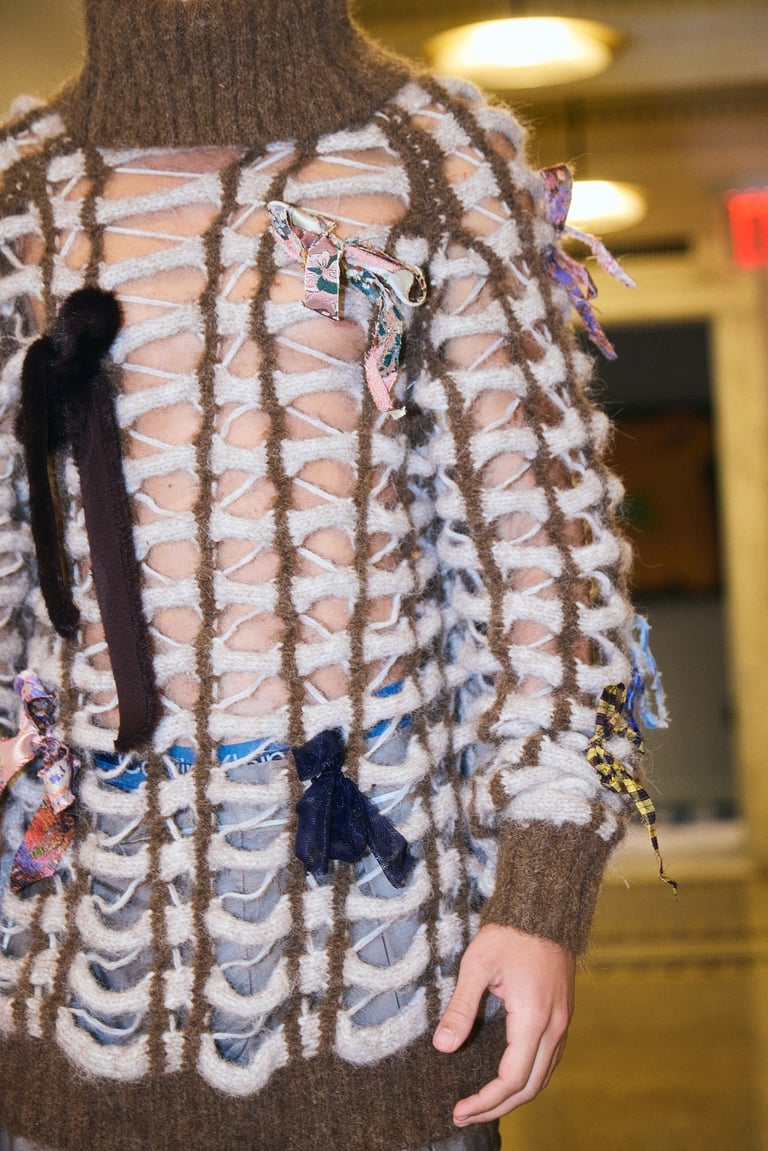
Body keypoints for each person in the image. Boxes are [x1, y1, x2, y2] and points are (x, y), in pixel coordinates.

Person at [0, 2, 648, 1149]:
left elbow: (549, 571)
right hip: (70, 965)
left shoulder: (436, 158)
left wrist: (543, 889)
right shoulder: (21, 190)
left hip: (388, 964)